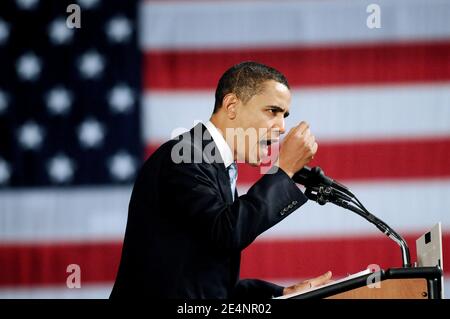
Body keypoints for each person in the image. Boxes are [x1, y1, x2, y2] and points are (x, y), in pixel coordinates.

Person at [110, 61, 332, 299]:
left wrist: (281, 294)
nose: (282, 127)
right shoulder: (185, 156)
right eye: (272, 111)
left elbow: (204, 284)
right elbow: (227, 232)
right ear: (231, 106)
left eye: (284, 115)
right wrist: (284, 170)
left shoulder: (214, 164)